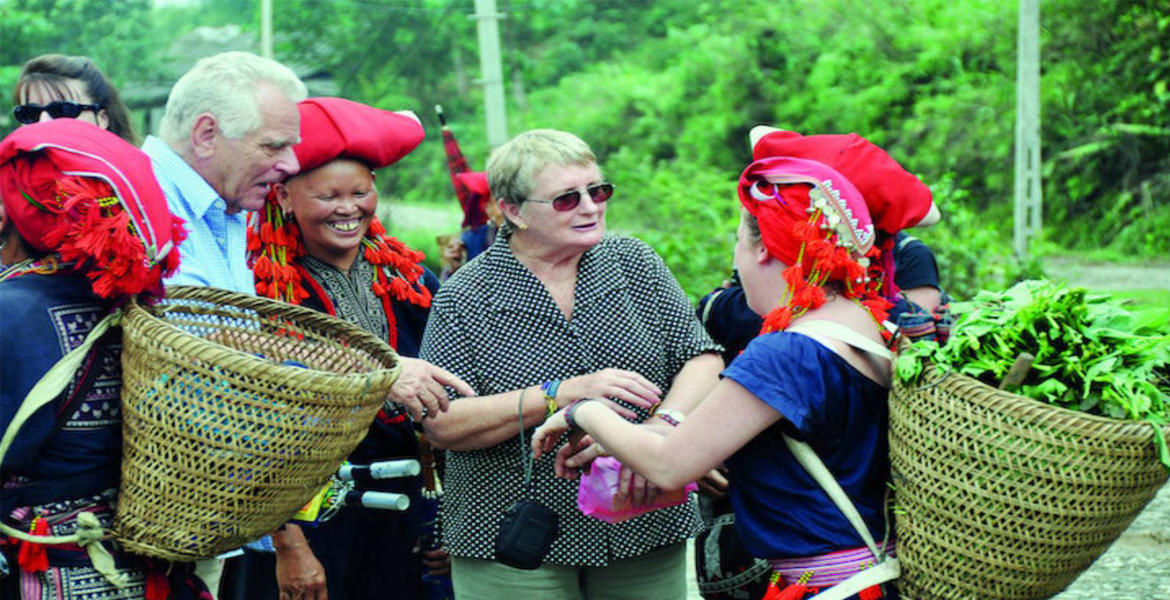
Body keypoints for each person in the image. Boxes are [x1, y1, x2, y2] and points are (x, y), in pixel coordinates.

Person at [531, 127, 938, 600]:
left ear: (762, 246)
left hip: (822, 587)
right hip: (870, 574)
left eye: (739, 242)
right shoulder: (866, 324)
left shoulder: (785, 353)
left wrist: (582, 411)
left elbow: (668, 466)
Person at [419, 129, 724, 599]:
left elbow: (699, 357)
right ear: (514, 210)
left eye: (598, 191)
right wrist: (558, 394)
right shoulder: (466, 295)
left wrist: (662, 430)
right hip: (512, 528)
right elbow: (443, 421)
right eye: (566, 198)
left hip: (641, 512)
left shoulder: (633, 261)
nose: (590, 206)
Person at [244, 97, 472, 600]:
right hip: (305, 514)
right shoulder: (263, 288)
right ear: (282, 197)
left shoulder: (409, 278)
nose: (348, 209)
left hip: (407, 511)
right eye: (328, 196)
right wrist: (290, 545)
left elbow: (458, 398)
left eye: (360, 193)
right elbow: (250, 432)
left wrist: (451, 517)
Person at [0, 119, 194, 599]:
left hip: (47, 571)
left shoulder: (14, 308)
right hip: (134, 565)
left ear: (9, 213)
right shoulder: (135, 303)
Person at [142, 51, 307, 294]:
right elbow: (194, 330)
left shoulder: (225, 202)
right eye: (274, 146)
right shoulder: (141, 206)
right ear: (206, 135)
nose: (292, 165)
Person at [11, 54, 137, 144]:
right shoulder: (8, 177)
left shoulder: (132, 177)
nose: (44, 122)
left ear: (102, 119)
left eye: (63, 110)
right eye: (30, 113)